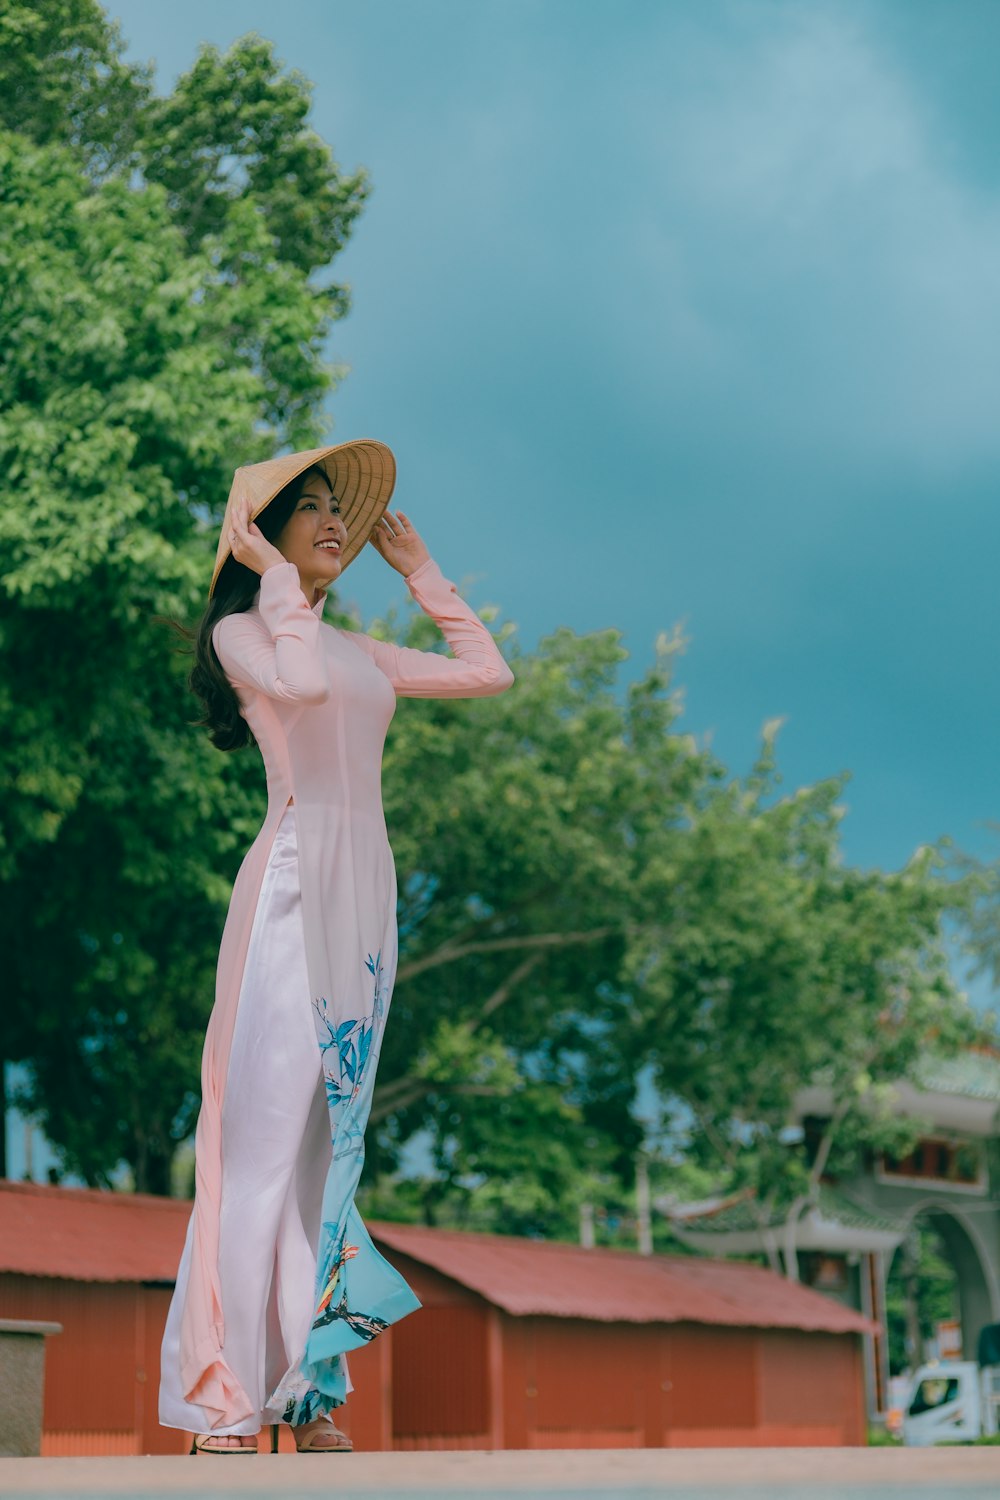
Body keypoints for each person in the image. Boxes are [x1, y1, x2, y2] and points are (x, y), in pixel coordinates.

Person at [158, 441, 513, 1453]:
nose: (331, 523)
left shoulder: (356, 647)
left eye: (334, 510)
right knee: (262, 1152)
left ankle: (306, 1393)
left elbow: (488, 671)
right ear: (261, 537)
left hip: (366, 904)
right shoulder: (243, 634)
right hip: (292, 890)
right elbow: (300, 689)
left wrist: (420, 573)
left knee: (329, 1153)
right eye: (304, 511)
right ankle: (227, 1398)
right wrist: (275, 587)